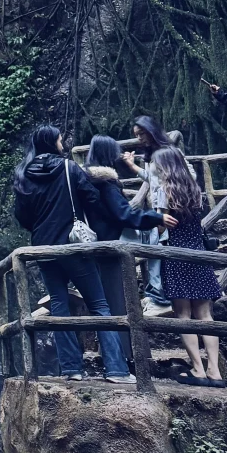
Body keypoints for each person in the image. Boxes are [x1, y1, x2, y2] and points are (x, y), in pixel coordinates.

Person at [13, 125, 132, 382]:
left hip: (43, 249)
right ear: (51, 142)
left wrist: (41, 228)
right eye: (59, 139)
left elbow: (21, 215)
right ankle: (117, 369)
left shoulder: (24, 174)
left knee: (59, 305)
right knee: (99, 305)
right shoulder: (69, 168)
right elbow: (91, 198)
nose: (61, 142)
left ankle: (71, 369)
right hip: (73, 246)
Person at [84, 135, 178, 362]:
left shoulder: (87, 180)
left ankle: (120, 357)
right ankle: (157, 294)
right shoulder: (106, 183)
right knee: (155, 237)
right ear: (108, 154)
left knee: (111, 302)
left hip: (98, 243)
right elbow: (123, 214)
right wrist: (155, 216)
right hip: (113, 241)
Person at [151, 146, 226, 387]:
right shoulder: (195, 190)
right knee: (205, 315)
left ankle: (198, 368)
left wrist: (155, 216)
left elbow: (162, 227)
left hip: (177, 255)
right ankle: (215, 371)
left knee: (183, 314)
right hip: (199, 255)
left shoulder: (165, 191)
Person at [119, 116, 179, 317]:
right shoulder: (153, 154)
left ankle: (160, 298)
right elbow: (152, 179)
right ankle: (157, 295)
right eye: (136, 135)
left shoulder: (165, 153)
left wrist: (163, 214)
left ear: (151, 130)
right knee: (154, 252)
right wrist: (132, 165)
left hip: (167, 213)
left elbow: (169, 185)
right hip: (159, 212)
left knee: (157, 253)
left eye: (141, 133)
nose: (139, 138)